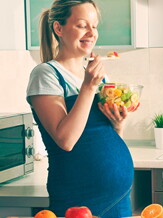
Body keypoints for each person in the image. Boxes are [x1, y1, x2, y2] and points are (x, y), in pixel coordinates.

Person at [26, 0, 137, 217]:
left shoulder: (98, 76)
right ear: (59, 28)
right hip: (79, 198)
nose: (91, 33)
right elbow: (65, 140)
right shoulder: (46, 74)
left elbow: (100, 137)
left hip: (119, 199)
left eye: (94, 26)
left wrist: (117, 124)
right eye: (82, 25)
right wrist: (89, 86)